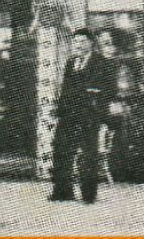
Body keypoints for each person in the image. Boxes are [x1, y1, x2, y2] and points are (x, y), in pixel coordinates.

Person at [48, 28, 117, 205]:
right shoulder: (71, 63)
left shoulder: (102, 63)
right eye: (75, 42)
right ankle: (62, 191)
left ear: (90, 44)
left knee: (88, 154)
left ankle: (88, 194)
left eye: (81, 42)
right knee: (61, 150)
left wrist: (97, 106)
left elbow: (110, 90)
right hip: (68, 115)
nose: (77, 45)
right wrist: (59, 110)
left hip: (89, 115)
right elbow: (65, 89)